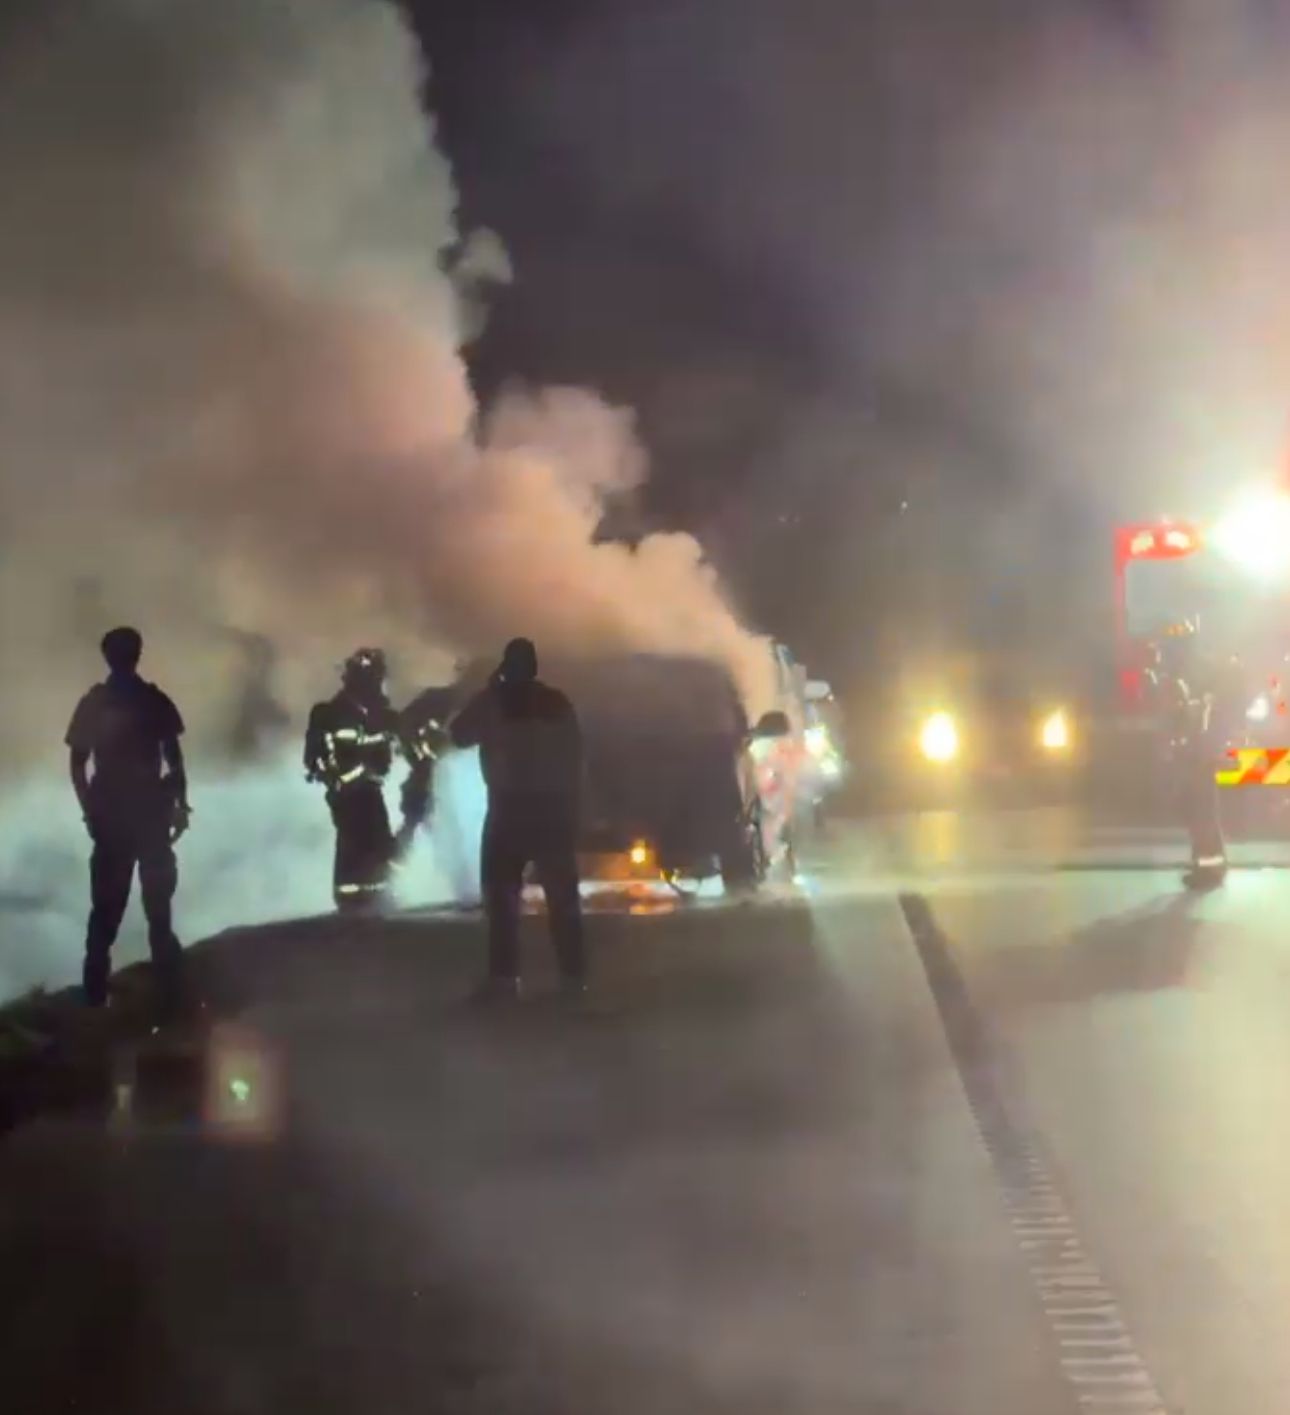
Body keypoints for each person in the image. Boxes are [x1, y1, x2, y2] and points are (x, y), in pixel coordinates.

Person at [450, 638, 586, 999]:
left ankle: (504, 978)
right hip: (551, 811)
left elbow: (458, 734)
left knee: (502, 899)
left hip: (508, 811)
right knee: (562, 899)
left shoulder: (492, 702)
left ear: (506, 668)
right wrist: (572, 807)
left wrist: (489, 687)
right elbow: (575, 754)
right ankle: (573, 977)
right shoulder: (557, 703)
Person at [66, 626, 190, 1015]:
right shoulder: (152, 700)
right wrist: (181, 805)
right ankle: (168, 995)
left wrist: (90, 809)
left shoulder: (95, 703)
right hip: (148, 815)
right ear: (138, 654)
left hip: (114, 817)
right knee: (157, 910)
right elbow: (174, 759)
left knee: (106, 911)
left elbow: (77, 763)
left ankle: (95, 997)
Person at [304, 647, 407, 911]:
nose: (377, 685)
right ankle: (352, 901)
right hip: (348, 794)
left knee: (378, 844)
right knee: (356, 843)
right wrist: (343, 778)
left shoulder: (377, 714)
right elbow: (317, 759)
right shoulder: (330, 713)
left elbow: (398, 735)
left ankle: (377, 897)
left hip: (369, 790)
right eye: (373, 679)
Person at [1154, 620, 1227, 884]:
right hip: (1197, 755)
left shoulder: (1190, 675)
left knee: (1201, 813)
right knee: (1200, 813)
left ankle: (1209, 870)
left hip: (1198, 756)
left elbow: (1190, 716)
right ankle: (1206, 867)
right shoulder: (1193, 672)